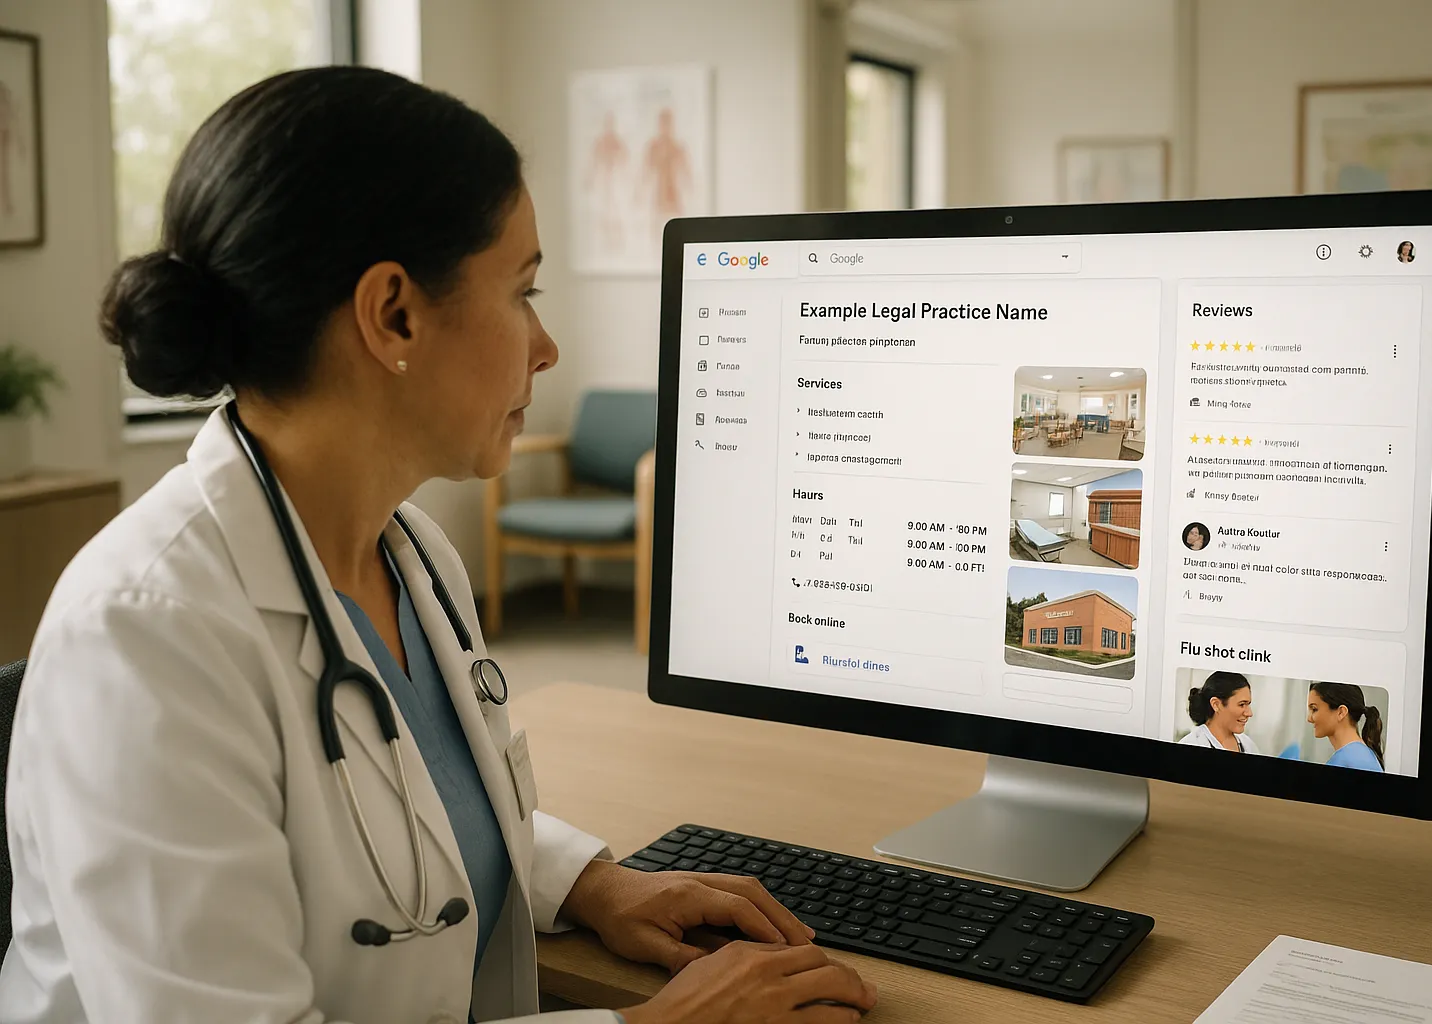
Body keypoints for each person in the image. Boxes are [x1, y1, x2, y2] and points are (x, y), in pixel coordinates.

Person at [0, 68, 876, 1024]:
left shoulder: (409, 553)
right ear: (393, 315)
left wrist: (590, 884)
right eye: (523, 290)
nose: (546, 348)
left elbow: (413, 812)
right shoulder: (144, 639)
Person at [1307, 682, 1386, 771]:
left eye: (1314, 709)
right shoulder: (1363, 754)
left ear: (1341, 712)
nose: (1309, 719)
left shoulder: (1345, 760)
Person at [1178, 671, 1260, 752]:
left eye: (1248, 704)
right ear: (1216, 704)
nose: (1249, 713)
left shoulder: (1248, 745)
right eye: (1242, 704)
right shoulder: (1190, 745)